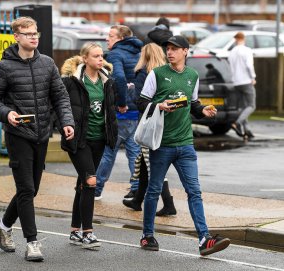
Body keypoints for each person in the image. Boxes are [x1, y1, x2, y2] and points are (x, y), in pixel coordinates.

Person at [0, 17, 74, 262]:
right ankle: (33, 242)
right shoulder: (5, 66)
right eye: (28, 34)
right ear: (17, 37)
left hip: (42, 133)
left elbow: (60, 97)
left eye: (36, 33)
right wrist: (7, 113)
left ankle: (3, 226)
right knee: (26, 189)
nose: (34, 37)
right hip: (18, 135)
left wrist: (67, 122)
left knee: (31, 189)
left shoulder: (47, 63)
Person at [137, 35, 230, 256]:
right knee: (153, 191)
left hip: (186, 144)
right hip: (161, 144)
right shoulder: (157, 74)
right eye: (168, 49)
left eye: (175, 49)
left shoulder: (193, 75)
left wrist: (203, 110)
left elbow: (193, 102)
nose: (170, 52)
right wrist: (158, 105)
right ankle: (147, 235)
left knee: (195, 191)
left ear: (185, 51)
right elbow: (140, 102)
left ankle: (204, 239)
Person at [60, 43, 117, 249]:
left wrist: (112, 130)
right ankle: (88, 233)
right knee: (91, 180)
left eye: (102, 56)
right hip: (79, 139)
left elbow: (111, 108)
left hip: (99, 138)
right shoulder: (71, 81)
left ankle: (75, 230)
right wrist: (64, 126)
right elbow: (59, 106)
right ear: (85, 58)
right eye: (95, 56)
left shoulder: (107, 80)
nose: (100, 59)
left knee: (84, 184)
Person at [122, 43, 177, 217]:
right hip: (165, 122)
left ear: (144, 56)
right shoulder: (166, 73)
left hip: (149, 123)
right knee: (145, 161)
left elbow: (140, 101)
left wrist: (130, 91)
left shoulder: (143, 74)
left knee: (154, 164)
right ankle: (137, 200)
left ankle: (168, 203)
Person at [95, 25, 143, 200]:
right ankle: (136, 189)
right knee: (134, 153)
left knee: (108, 152)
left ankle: (96, 189)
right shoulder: (138, 52)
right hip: (136, 111)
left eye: (110, 36)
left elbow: (120, 78)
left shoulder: (115, 53)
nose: (107, 39)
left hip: (121, 112)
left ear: (121, 39)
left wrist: (121, 103)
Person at [228, 32, 256, 140]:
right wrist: (253, 77)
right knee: (251, 106)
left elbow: (230, 67)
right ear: (243, 39)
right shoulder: (247, 50)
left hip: (236, 82)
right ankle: (237, 123)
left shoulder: (232, 52)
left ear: (235, 39)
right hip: (246, 81)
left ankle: (247, 130)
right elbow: (249, 65)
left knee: (244, 107)